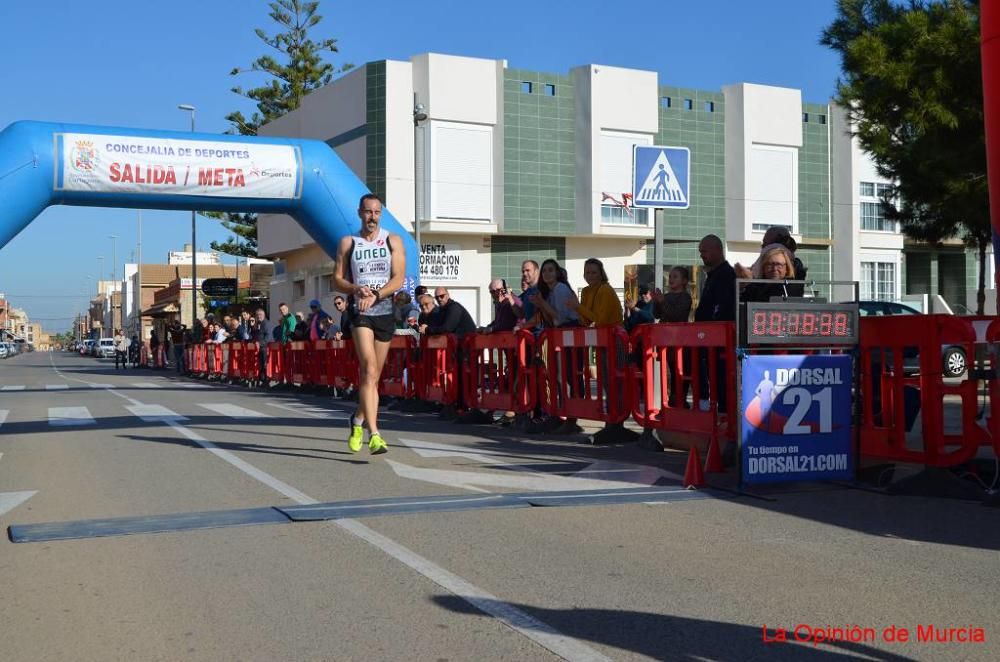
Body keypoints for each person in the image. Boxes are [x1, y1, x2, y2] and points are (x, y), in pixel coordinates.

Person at [331, 193, 405, 455]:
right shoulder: (348, 243)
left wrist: (376, 294)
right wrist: (355, 289)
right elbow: (336, 279)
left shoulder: (392, 240)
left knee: (374, 378)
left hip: (384, 310)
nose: (371, 217)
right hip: (359, 312)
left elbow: (399, 279)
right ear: (359, 212)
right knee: (369, 368)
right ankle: (375, 434)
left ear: (380, 214)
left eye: (376, 212)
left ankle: (358, 420)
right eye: (367, 212)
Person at [528, 258, 583, 435]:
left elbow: (560, 318)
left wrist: (543, 304)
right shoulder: (550, 292)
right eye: (544, 271)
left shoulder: (560, 289)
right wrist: (541, 305)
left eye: (551, 270)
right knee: (558, 376)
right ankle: (562, 414)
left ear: (557, 273)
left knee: (567, 376)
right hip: (560, 335)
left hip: (569, 334)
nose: (547, 274)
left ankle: (570, 417)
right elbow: (551, 319)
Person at [694, 234, 736, 413]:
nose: (701, 255)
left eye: (704, 251)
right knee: (716, 381)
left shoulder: (725, 275)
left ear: (718, 250)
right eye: (700, 251)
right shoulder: (713, 275)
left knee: (722, 381)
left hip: (720, 341)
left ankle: (726, 415)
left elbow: (722, 307)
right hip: (711, 339)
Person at [654, 266, 694, 407]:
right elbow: (657, 314)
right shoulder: (666, 296)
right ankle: (670, 398)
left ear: (684, 281)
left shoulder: (685, 297)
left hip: (680, 340)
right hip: (666, 340)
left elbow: (677, 315)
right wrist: (657, 302)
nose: (671, 279)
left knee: (680, 370)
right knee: (669, 370)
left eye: (675, 276)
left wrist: (662, 301)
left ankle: (680, 398)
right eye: (670, 276)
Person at [571, 258, 623, 327]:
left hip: (612, 332)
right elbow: (586, 321)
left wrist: (578, 307)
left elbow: (601, 321)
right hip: (597, 332)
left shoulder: (605, 289)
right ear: (584, 275)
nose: (590, 276)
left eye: (594, 273)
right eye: (587, 273)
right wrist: (576, 310)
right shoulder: (585, 291)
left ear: (601, 275)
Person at [250, 308, 273, 388]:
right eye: (257, 315)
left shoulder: (266, 323)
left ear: (264, 315)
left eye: (260, 315)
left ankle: (266, 381)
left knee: (264, 364)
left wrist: (260, 343)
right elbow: (255, 335)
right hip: (259, 347)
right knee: (260, 365)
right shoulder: (258, 324)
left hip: (265, 347)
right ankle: (261, 380)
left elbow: (268, 336)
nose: (258, 316)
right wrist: (252, 326)